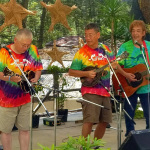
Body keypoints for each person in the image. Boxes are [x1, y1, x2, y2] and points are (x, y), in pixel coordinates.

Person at [68, 23, 125, 139]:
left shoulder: (105, 49)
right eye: (86, 35)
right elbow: (71, 72)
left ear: (98, 35)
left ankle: (95, 145)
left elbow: (114, 64)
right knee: (89, 120)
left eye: (90, 35)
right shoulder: (81, 52)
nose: (87, 38)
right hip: (90, 91)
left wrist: (115, 66)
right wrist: (86, 73)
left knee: (104, 121)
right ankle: (84, 147)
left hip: (105, 91)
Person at [0, 28, 43, 150]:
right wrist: (10, 78)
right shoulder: (4, 52)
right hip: (7, 100)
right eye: (23, 45)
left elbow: (38, 67)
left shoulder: (33, 50)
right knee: (6, 130)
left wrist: (36, 78)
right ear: (15, 40)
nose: (26, 47)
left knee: (24, 129)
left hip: (25, 98)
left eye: (28, 45)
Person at [117, 20, 150, 136]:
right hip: (129, 85)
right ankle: (130, 135)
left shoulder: (148, 47)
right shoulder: (125, 47)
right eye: (133, 31)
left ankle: (148, 136)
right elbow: (116, 64)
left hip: (146, 87)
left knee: (149, 113)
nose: (135, 33)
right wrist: (126, 74)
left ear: (143, 33)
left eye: (138, 31)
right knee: (129, 113)